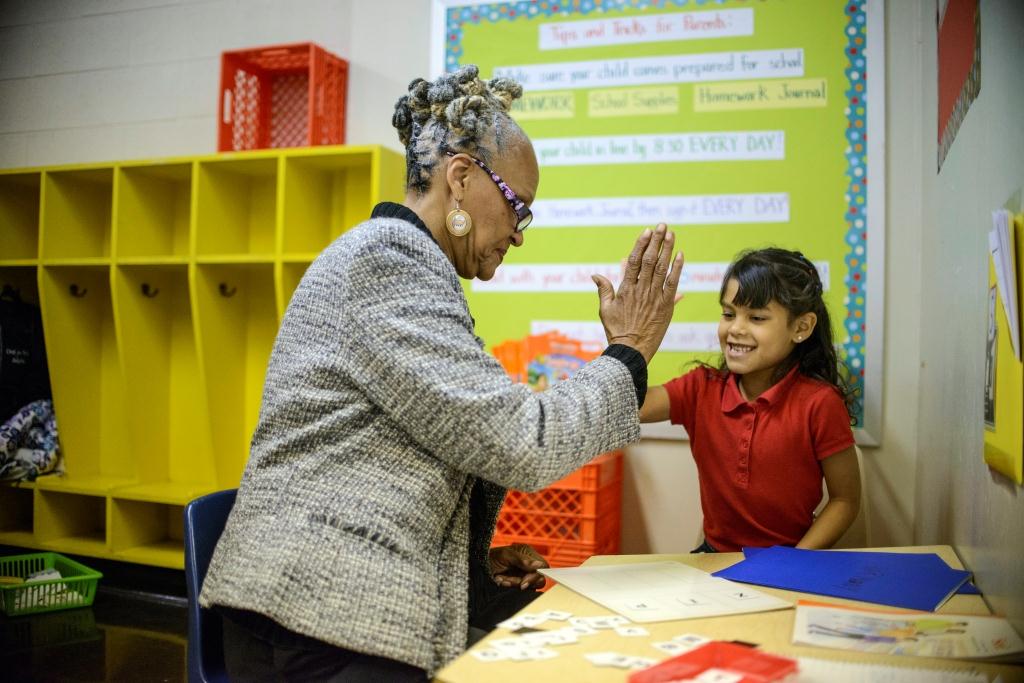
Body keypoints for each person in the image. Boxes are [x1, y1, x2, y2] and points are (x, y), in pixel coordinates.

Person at [199, 64, 683, 681]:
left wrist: (470, 574)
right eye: (517, 209)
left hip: (327, 607)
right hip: (317, 613)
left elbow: (422, 453)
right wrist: (630, 354)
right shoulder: (386, 262)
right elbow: (518, 441)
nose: (518, 235)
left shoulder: (409, 269)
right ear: (460, 178)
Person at [640, 248, 860, 552]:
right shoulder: (701, 388)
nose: (736, 328)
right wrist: (639, 340)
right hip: (715, 559)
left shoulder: (820, 403)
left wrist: (794, 561)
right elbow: (632, 406)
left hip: (790, 561)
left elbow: (845, 500)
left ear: (801, 327)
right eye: (729, 313)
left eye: (756, 317)